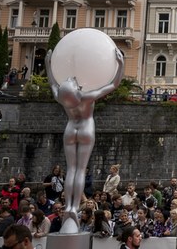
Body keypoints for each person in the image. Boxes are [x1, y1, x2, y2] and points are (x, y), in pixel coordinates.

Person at [46, 46, 124, 233]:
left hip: (70, 128)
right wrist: (120, 64)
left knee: (71, 169)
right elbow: (113, 84)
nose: (72, 78)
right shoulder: (86, 97)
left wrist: (49, 65)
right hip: (86, 129)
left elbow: (52, 84)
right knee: (80, 170)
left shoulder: (62, 98)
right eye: (73, 81)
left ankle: (69, 207)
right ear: (76, 90)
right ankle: (73, 207)